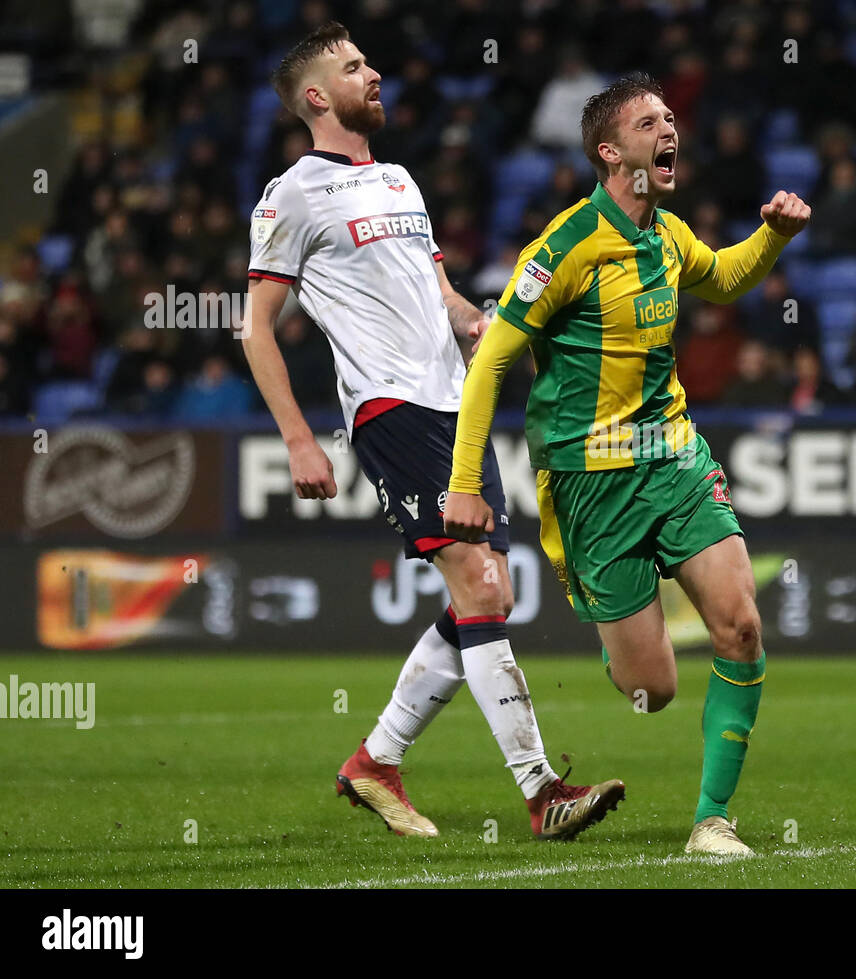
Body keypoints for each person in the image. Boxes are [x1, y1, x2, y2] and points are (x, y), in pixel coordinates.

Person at [241, 22, 622, 842]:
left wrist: (482, 325)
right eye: (353, 68)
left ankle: (375, 760)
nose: (373, 74)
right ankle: (541, 789)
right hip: (389, 407)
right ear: (316, 97)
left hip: (459, 408)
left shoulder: (403, 180)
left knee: (489, 592)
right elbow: (255, 328)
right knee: (483, 588)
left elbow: (440, 296)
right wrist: (299, 439)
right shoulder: (293, 194)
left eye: (368, 62)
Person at [444, 73, 811, 857]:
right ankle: (624, 652)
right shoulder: (565, 246)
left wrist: (774, 235)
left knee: (741, 626)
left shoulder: (669, 234)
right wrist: (463, 480)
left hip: (673, 456)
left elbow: (724, 275)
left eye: (671, 117)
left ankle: (712, 820)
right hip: (589, 484)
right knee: (654, 690)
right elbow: (491, 363)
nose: (668, 127)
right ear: (611, 152)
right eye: (650, 120)